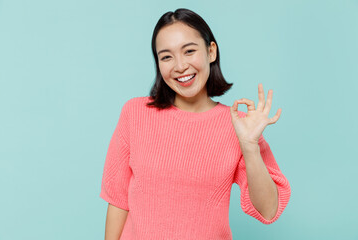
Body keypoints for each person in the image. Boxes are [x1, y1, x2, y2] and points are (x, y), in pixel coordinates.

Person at [100, 8, 291, 240]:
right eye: (166, 57)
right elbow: (118, 199)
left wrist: (249, 145)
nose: (180, 66)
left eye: (189, 51)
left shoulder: (238, 127)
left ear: (211, 52)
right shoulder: (135, 113)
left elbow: (268, 210)